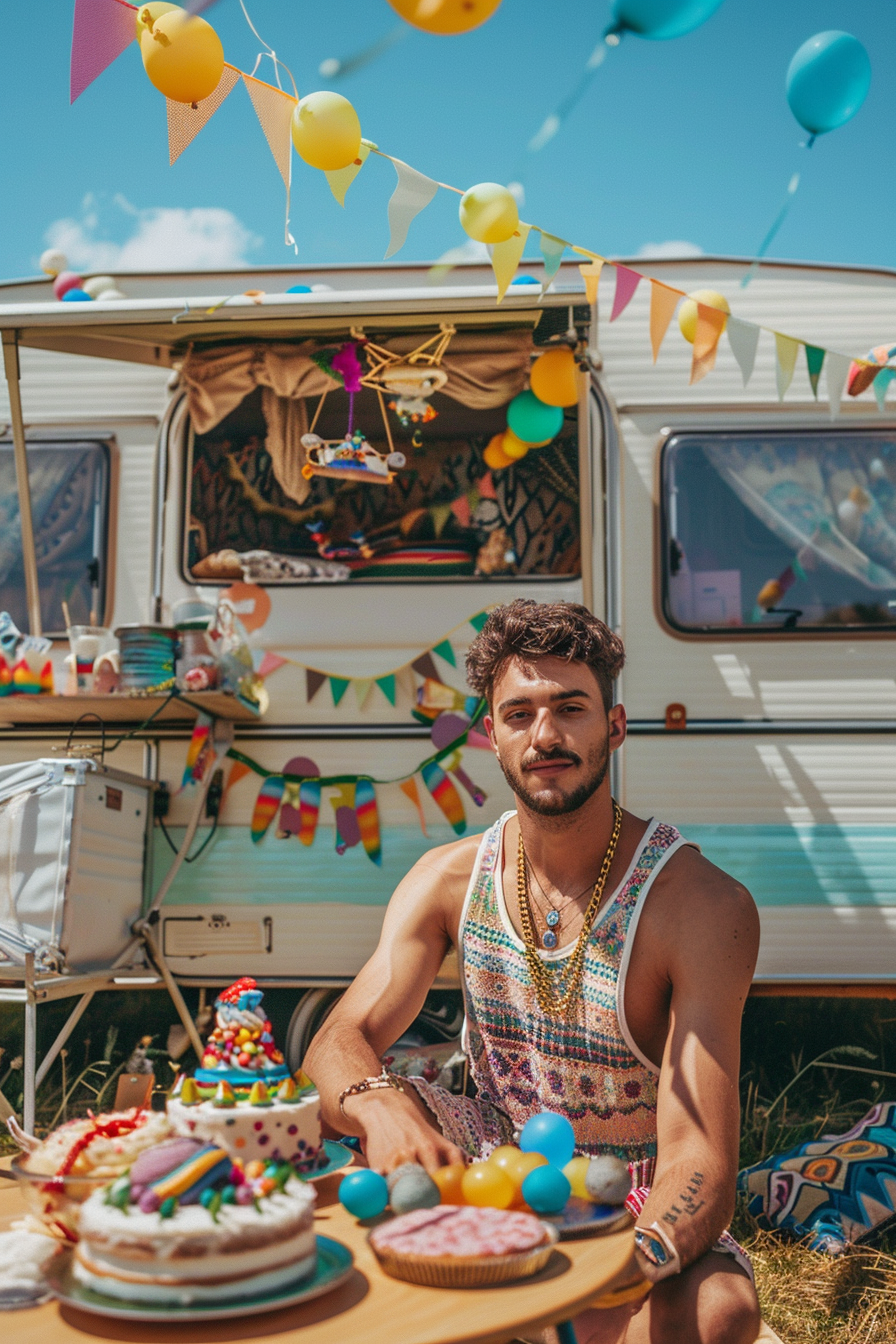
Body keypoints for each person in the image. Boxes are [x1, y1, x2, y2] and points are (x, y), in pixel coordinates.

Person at [305, 600, 761, 1343]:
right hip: (491, 1172)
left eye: (569, 709)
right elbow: (336, 1040)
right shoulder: (447, 879)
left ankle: (504, 1315)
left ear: (613, 727)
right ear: (491, 737)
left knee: (719, 1314)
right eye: (519, 715)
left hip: (630, 1200)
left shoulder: (702, 905)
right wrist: (382, 1107)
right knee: (339, 1125)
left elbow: (698, 1156)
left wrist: (631, 1261)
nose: (545, 736)